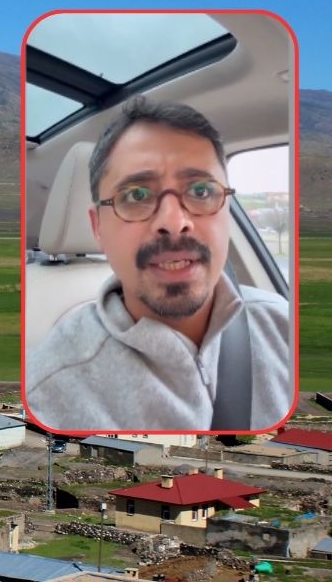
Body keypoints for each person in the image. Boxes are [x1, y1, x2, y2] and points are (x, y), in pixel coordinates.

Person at [26, 98, 292, 431]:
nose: (174, 222)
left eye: (200, 190)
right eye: (136, 195)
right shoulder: (48, 395)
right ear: (98, 228)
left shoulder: (284, 326)